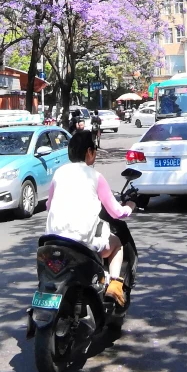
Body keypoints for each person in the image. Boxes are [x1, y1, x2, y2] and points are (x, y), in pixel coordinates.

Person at [44, 130, 133, 306]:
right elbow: (116, 212)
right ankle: (114, 286)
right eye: (95, 150)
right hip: (82, 246)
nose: (96, 154)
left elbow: (48, 205)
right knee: (116, 244)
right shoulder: (95, 177)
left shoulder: (59, 174)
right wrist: (130, 206)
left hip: (52, 243)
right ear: (89, 152)